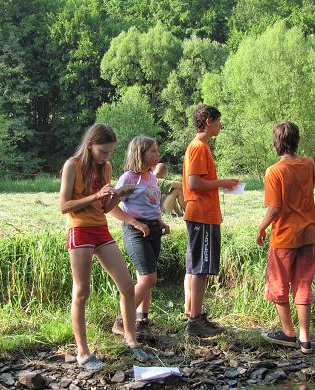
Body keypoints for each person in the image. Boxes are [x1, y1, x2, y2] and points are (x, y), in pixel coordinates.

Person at [59, 123, 149, 372]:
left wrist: (118, 194)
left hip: (100, 228)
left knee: (127, 285)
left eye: (109, 152)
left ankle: (131, 340)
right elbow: (64, 206)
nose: (106, 157)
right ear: (90, 145)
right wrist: (96, 195)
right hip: (79, 229)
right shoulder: (72, 165)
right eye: (103, 152)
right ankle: (83, 352)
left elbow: (105, 207)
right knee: (82, 291)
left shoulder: (105, 167)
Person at [257, 121, 315, 354]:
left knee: (278, 283)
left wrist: (261, 228)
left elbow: (275, 208)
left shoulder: (275, 171)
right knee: (303, 283)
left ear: (277, 143)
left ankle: (288, 333)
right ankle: (305, 339)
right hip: (309, 232)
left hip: (284, 236)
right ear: (296, 140)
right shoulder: (309, 164)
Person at [182, 104, 240, 337]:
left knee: (194, 267)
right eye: (218, 120)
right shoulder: (199, 148)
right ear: (208, 121)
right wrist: (222, 183)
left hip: (201, 215)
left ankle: (191, 314)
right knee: (201, 268)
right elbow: (194, 183)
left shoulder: (200, 147)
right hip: (202, 215)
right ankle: (195, 321)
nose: (220, 125)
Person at [110, 136, 170, 339]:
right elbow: (111, 207)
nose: (157, 154)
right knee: (148, 278)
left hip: (153, 229)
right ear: (140, 153)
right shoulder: (128, 178)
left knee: (146, 276)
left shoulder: (151, 176)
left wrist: (160, 221)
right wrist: (135, 223)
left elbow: (152, 203)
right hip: (136, 231)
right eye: (153, 151)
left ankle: (141, 319)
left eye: (156, 150)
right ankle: (121, 321)